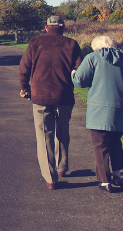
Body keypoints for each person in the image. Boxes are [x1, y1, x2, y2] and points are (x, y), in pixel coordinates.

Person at [72, 35, 123, 193]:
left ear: (96, 47)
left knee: (100, 145)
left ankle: (104, 181)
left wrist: (73, 74)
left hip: (98, 110)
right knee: (115, 141)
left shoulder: (92, 58)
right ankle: (117, 174)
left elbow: (80, 81)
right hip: (121, 110)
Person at [19, 15, 84, 189]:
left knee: (44, 136)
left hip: (40, 96)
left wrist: (24, 88)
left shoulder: (35, 42)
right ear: (63, 28)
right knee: (62, 132)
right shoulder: (72, 44)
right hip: (64, 95)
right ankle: (62, 167)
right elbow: (80, 69)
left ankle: (50, 177)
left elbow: (24, 67)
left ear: (46, 27)